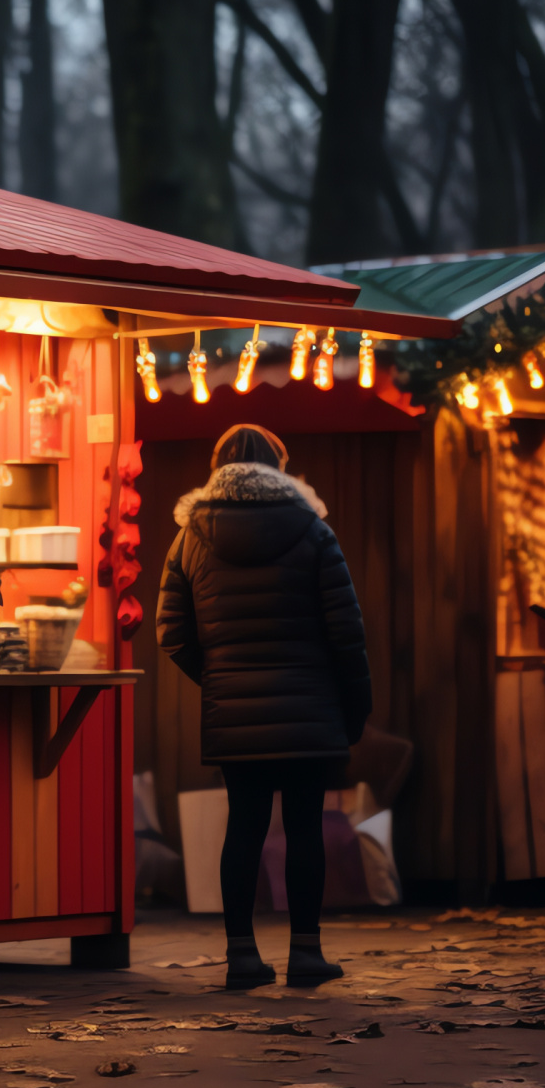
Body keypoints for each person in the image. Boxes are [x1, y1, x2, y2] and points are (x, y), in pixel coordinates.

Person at [155, 423, 370, 989]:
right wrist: (355, 708)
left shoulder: (189, 538)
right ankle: (306, 954)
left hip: (235, 711)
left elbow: (171, 633)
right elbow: (347, 632)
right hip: (309, 709)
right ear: (279, 466)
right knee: (304, 828)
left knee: (243, 828)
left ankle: (242, 957)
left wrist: (222, 678)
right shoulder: (313, 531)